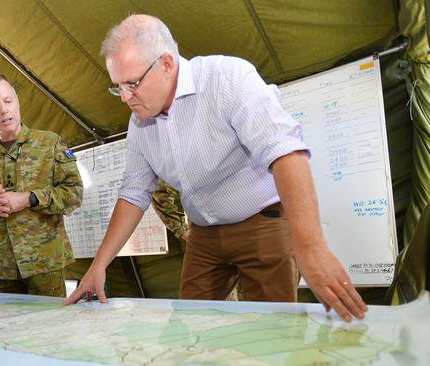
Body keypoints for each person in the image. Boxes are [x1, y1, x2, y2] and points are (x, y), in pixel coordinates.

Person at [64, 14, 367, 322]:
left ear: (166, 64)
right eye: (118, 87)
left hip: (262, 223)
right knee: (187, 331)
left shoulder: (227, 79)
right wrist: (98, 266)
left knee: (274, 331)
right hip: (204, 236)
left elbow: (285, 152)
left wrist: (311, 246)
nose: (126, 98)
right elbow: (133, 192)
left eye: (132, 84)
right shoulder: (139, 124)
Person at [0, 74, 83, 297]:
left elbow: (74, 194)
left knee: (48, 329)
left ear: (17, 102)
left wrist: (30, 198)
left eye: (8, 101)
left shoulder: (49, 144)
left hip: (44, 264)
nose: (4, 110)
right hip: (0, 269)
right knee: (3, 330)